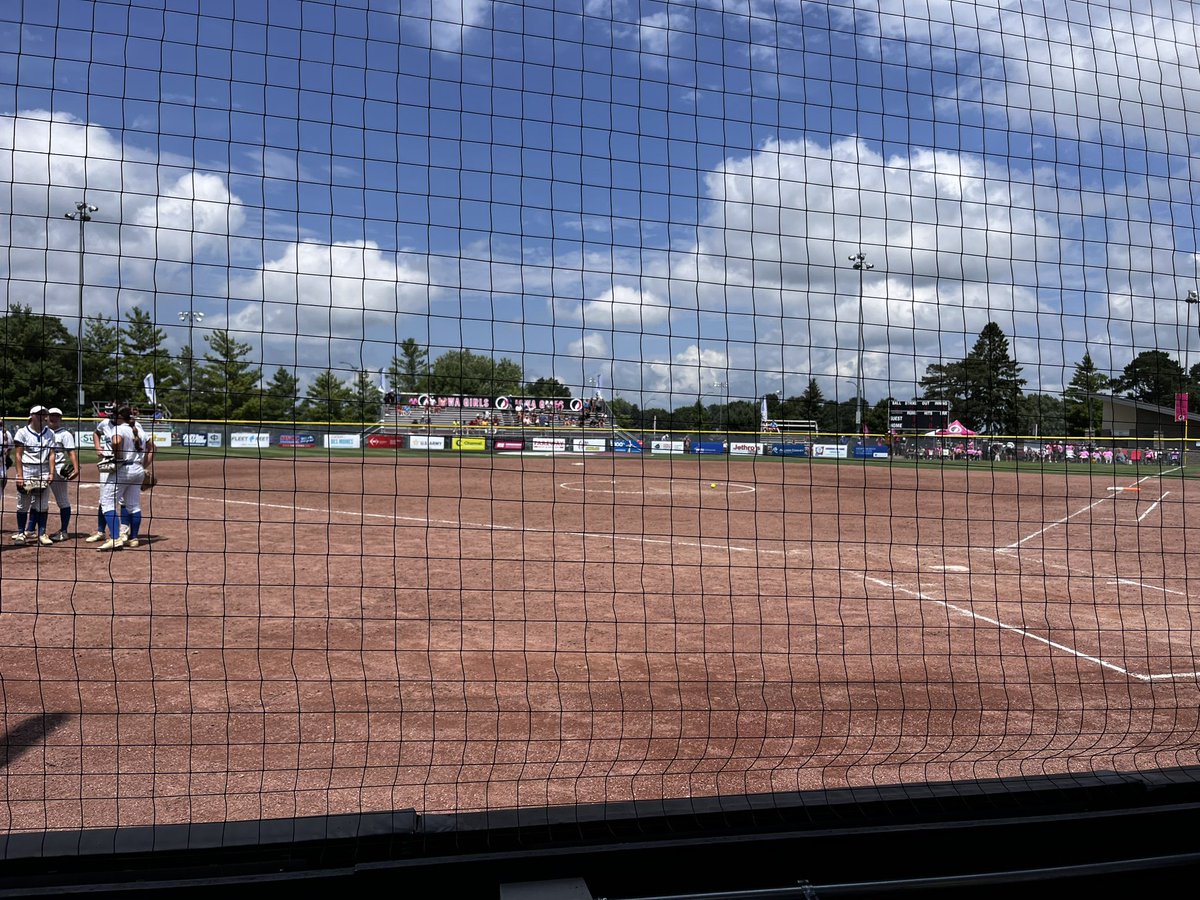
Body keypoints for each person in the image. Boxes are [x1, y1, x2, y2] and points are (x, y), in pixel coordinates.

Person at [97, 406, 146, 551]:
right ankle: (134, 538)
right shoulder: (139, 430)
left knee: (107, 502)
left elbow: (117, 442)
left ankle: (115, 538)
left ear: (120, 417)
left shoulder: (119, 429)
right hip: (138, 469)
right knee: (133, 506)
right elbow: (152, 448)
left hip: (123, 469)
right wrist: (145, 465)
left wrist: (117, 457)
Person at [11, 405, 56, 546]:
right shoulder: (22, 432)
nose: (42, 417)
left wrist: (51, 472)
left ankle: (42, 533)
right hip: (27, 469)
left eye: (44, 414)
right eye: (39, 414)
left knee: (42, 505)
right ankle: (21, 533)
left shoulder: (50, 433)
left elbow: (51, 454)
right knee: (23, 504)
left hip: (43, 469)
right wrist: (19, 475)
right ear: (32, 415)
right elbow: (18, 455)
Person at [85, 402, 118, 542]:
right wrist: (98, 447)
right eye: (109, 411)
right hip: (107, 463)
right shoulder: (104, 423)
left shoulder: (129, 425)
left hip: (123, 465)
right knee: (104, 498)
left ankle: (124, 531)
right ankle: (100, 531)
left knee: (124, 500)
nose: (111, 413)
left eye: (113, 410)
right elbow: (96, 433)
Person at [45, 408, 80, 541]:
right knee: (36, 501)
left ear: (60, 418)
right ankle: (31, 530)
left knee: (63, 501)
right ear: (47, 417)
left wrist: (76, 469)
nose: (54, 418)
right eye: (51, 415)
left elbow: (71, 452)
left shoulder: (65, 434)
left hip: (58, 469)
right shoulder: (44, 433)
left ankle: (64, 531)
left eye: (57, 416)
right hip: (42, 469)